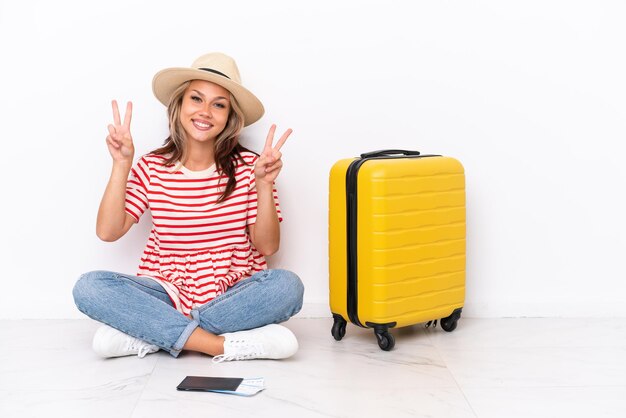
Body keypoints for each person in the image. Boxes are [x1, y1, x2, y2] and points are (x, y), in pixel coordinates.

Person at [72, 52, 304, 362]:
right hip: (167, 294)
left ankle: (158, 334)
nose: (205, 111)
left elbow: (268, 247)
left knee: (287, 286)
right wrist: (121, 164)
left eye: (218, 104)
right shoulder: (151, 167)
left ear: (229, 117)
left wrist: (263, 184)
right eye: (196, 99)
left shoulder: (252, 167)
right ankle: (218, 344)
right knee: (89, 287)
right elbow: (108, 231)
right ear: (180, 105)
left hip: (231, 295)